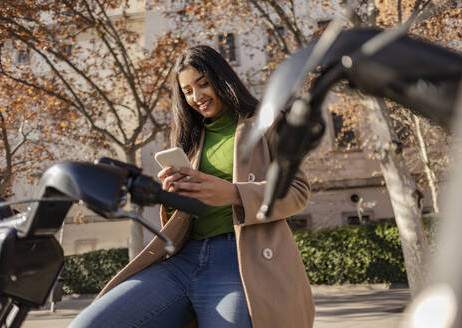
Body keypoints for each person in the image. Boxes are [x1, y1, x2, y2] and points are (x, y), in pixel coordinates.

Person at [69, 45, 315, 328]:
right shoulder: (190, 139)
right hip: (182, 260)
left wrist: (235, 194)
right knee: (88, 325)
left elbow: (297, 191)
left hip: (238, 260)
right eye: (187, 91)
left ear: (222, 79)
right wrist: (173, 196)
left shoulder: (267, 122)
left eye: (203, 84)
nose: (197, 97)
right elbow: (185, 214)